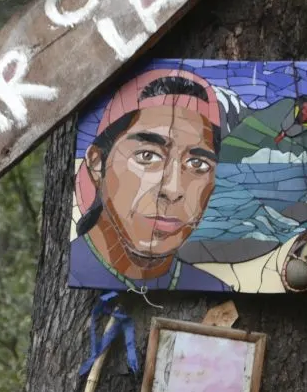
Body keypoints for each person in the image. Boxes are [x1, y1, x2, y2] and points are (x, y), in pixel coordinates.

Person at [69, 68, 231, 291]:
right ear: (97, 164)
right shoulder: (69, 271)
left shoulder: (217, 287)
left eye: (197, 164)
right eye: (148, 156)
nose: (173, 189)